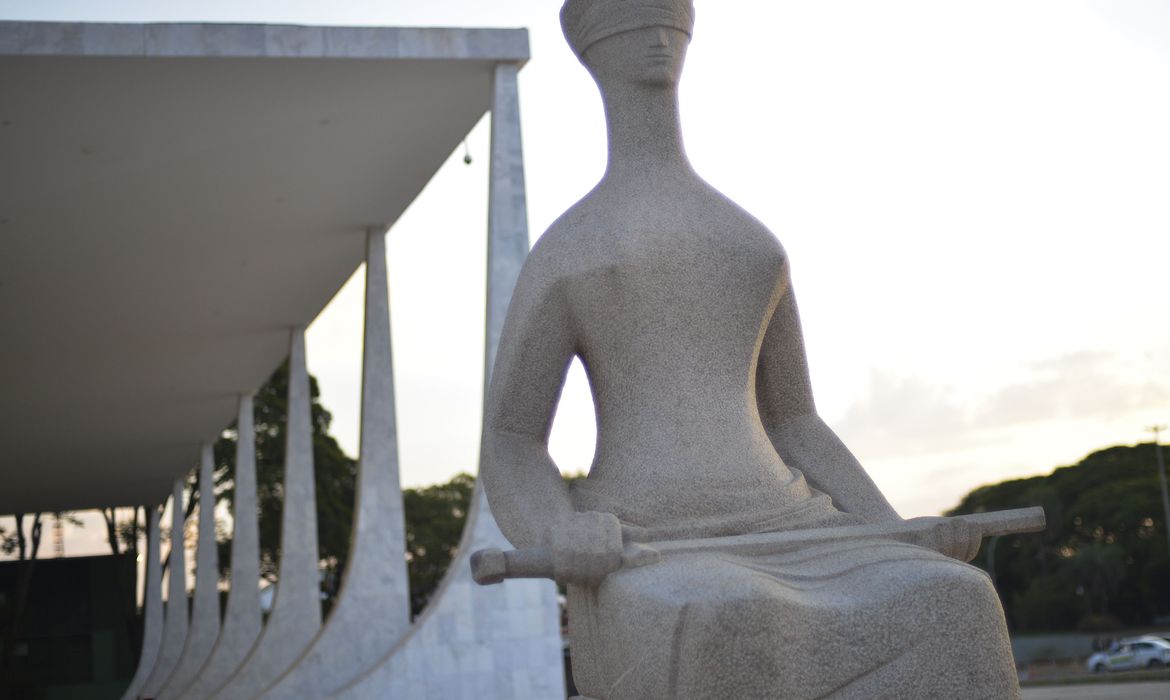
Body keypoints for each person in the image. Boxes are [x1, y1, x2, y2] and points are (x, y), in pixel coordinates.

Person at [480, 1, 1019, 697]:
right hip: (657, 538)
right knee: (728, 616)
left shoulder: (750, 244)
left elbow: (796, 421)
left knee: (956, 599)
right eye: (636, 23)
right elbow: (512, 436)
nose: (657, 39)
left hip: (796, 524)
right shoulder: (573, 250)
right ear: (592, 52)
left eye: (667, 22)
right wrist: (562, 529)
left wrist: (893, 530)